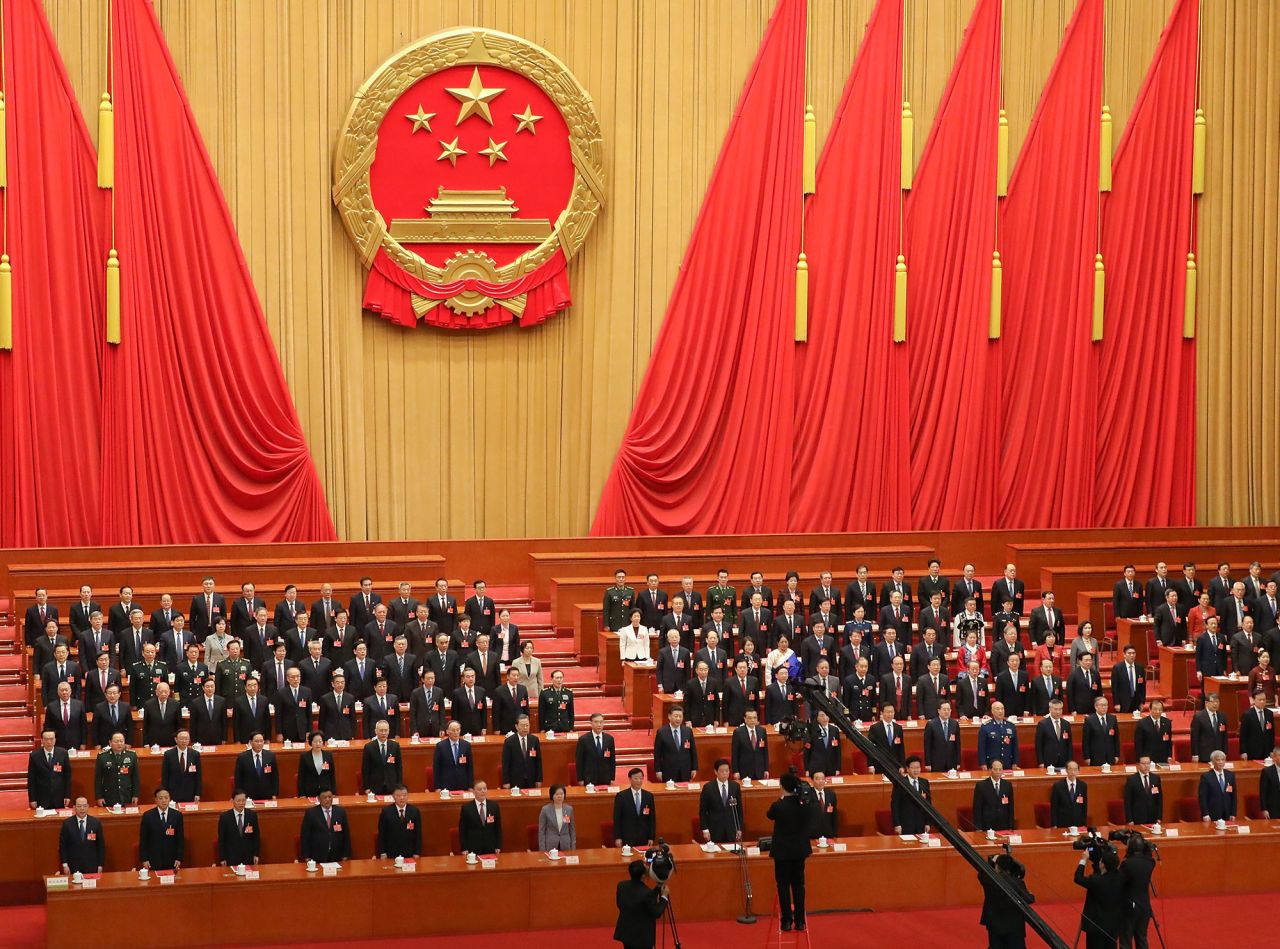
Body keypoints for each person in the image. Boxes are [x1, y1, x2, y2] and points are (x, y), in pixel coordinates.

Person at [766, 772, 814, 932]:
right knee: (799, 885)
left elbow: (769, 815)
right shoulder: (803, 804)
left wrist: (781, 798)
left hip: (782, 852)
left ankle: (786, 921)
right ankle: (800, 921)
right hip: (799, 851)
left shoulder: (779, 805)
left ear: (782, 787)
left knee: (783, 885)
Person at [978, 852, 1036, 949]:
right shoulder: (1018, 882)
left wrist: (992, 862)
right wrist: (1031, 894)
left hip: (995, 924)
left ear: (997, 866)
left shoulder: (989, 880)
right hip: (1014, 926)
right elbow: (1028, 899)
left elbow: (981, 873)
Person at [1074, 846, 1126, 949]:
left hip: (1096, 926)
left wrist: (1083, 860)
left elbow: (1078, 878)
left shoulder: (1096, 880)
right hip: (1113, 925)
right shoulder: (1121, 877)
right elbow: (1106, 872)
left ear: (1102, 865)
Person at [613, 859, 668, 949]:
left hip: (627, 933)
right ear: (643, 876)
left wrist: (658, 888)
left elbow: (641, 899)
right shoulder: (646, 893)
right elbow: (656, 912)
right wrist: (664, 897)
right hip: (642, 938)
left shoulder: (621, 886)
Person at [1119, 834, 1156, 949]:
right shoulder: (1150, 862)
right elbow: (1148, 856)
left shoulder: (1127, 864)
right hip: (1145, 905)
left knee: (1125, 939)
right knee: (1141, 938)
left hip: (1129, 906)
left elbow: (1120, 881)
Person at [138, 787, 184, 871]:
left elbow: (180, 839)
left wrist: (179, 858)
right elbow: (143, 840)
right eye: (161, 798)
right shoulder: (148, 816)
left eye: (166, 798)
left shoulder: (177, 815)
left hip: (172, 860)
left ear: (170, 799)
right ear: (155, 800)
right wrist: (144, 859)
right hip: (153, 861)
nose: (164, 800)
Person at [698, 758, 743, 844]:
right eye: (722, 771)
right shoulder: (708, 788)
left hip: (731, 830)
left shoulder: (735, 786)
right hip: (714, 830)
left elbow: (739, 810)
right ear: (716, 772)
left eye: (727, 771)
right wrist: (705, 830)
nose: (725, 773)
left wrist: (739, 828)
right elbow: (703, 811)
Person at [300, 788, 350, 863]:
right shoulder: (311, 813)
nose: (328, 799)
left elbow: (346, 835)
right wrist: (307, 856)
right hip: (317, 856)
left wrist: (346, 854)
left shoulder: (340, 812)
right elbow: (305, 836)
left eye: (330, 797)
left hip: (337, 855)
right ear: (319, 799)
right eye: (324, 797)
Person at [28, 729, 71, 810]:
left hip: (59, 796)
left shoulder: (63, 753)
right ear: (42, 740)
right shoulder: (34, 755)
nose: (49, 742)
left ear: (55, 740)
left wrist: (67, 795)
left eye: (51, 739)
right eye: (46, 739)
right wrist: (32, 799)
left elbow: (67, 776)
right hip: (41, 797)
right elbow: (31, 779)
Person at [60, 797, 104, 875]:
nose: (82, 808)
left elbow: (100, 846)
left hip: (91, 866)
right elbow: (63, 847)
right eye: (79, 806)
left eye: (84, 806)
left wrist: (100, 865)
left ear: (88, 807)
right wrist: (65, 865)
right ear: (74, 807)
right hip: (73, 866)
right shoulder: (67, 824)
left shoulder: (95, 823)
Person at [613, 768, 656, 848]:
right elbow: (617, 819)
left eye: (640, 778)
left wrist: (651, 837)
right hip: (627, 837)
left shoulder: (648, 796)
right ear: (630, 779)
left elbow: (652, 819)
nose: (638, 781)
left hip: (644, 837)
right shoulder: (621, 796)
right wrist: (617, 837)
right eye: (636, 778)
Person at [94, 732, 140, 807]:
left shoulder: (132, 756)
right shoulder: (102, 757)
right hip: (109, 796)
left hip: (127, 795)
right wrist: (99, 797)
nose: (119, 744)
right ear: (110, 742)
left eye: (121, 741)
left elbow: (135, 777)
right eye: (116, 741)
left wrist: (135, 795)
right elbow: (98, 779)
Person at [654, 706, 699, 782]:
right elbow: (657, 753)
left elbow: (693, 751)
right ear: (669, 716)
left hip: (685, 769)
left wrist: (694, 768)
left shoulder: (688, 731)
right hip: (668, 770)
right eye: (676, 716)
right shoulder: (661, 732)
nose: (678, 719)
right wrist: (658, 770)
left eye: (680, 716)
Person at [377, 785, 422, 859]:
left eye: (404, 795)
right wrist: (383, 852)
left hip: (409, 853)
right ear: (393, 796)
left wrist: (417, 852)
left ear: (408, 796)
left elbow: (418, 834)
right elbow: (382, 834)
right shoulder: (386, 812)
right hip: (391, 853)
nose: (402, 798)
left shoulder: (414, 811)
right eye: (398, 795)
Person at [217, 790, 261, 866]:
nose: (241, 803)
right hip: (231, 857)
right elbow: (221, 839)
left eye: (243, 800)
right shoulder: (225, 817)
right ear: (233, 801)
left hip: (248, 857)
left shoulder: (252, 815)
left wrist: (256, 854)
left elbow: (256, 836)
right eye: (238, 801)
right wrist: (222, 858)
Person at [458, 780, 502, 855]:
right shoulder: (466, 808)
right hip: (473, 848)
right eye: (479, 789)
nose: (483, 791)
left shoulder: (494, 806)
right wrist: (464, 848)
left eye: (485, 789)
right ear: (473, 792)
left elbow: (498, 828)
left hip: (490, 847)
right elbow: (462, 830)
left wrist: (498, 846)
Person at [891, 756, 932, 835]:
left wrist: (928, 822)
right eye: (913, 768)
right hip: (905, 824)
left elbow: (928, 804)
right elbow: (895, 805)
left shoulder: (924, 782)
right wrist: (897, 824)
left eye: (918, 767)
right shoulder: (900, 783)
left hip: (921, 824)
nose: (916, 770)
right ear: (907, 769)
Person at [361, 719, 402, 795]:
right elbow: (365, 770)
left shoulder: (395, 746)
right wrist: (366, 788)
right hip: (374, 787)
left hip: (392, 787)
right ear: (376, 731)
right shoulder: (369, 747)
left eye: (386, 730)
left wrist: (399, 786)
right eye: (381, 730)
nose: (383, 733)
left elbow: (399, 768)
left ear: (389, 731)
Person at [501, 715, 542, 789]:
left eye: (527, 725)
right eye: (523, 726)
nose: (525, 728)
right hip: (515, 780)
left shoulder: (534, 740)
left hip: (531, 779)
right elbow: (505, 763)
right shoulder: (509, 742)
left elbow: (538, 761)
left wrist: (539, 779)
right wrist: (506, 781)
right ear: (516, 726)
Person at [234, 733, 278, 801]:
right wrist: (240, 796)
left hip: (267, 795)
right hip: (248, 796)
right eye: (256, 741)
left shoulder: (270, 756)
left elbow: (275, 777)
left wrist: (274, 794)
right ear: (251, 742)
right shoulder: (242, 757)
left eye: (261, 741)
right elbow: (238, 779)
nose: (259, 743)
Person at [160, 730, 202, 803]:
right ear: (176, 740)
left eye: (186, 739)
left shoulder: (195, 754)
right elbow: (165, 776)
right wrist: (165, 794)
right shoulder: (168, 754)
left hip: (190, 792)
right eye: (181, 738)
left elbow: (198, 776)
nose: (184, 741)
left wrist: (197, 793)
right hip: (173, 793)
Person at [576, 712, 617, 785]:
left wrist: (612, 778)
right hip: (589, 779)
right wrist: (580, 779)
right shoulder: (583, 740)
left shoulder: (609, 739)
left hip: (605, 778)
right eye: (596, 722)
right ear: (591, 723)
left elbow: (612, 760)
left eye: (601, 722)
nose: (599, 725)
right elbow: (579, 761)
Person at [275, 666, 313, 744]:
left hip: (302, 730)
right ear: (288, 679)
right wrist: (279, 732)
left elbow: (309, 714)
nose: (296, 679)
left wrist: (309, 731)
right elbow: (278, 714)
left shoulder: (307, 691)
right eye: (293, 677)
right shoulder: (281, 693)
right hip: (287, 731)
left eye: (298, 676)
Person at [43, 681, 86, 750]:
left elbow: (83, 726)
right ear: (58, 692)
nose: (64, 692)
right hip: (58, 743)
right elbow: (47, 726)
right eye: (62, 690)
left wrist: (83, 743)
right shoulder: (51, 707)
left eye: (66, 690)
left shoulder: (79, 705)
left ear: (70, 691)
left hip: (75, 742)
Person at [972, 761, 1014, 831]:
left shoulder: (1007, 785)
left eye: (1000, 769)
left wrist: (1011, 826)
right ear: (990, 770)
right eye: (995, 769)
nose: (998, 772)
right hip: (987, 826)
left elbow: (1010, 807)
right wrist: (978, 828)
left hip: (1004, 826)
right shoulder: (981, 786)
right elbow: (977, 809)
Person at [433, 720, 474, 791]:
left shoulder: (466, 745)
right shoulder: (440, 746)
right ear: (447, 731)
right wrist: (437, 787)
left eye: (458, 730)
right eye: (453, 730)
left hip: (463, 784)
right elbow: (436, 768)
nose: (456, 732)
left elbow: (470, 767)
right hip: (446, 786)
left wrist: (470, 786)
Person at [1189, 691, 1229, 762]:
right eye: (1213, 702)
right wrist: (1195, 754)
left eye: (1217, 702)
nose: (1215, 704)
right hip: (1204, 755)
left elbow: (1224, 736)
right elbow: (1194, 737)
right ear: (1206, 703)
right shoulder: (1199, 717)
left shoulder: (1222, 716)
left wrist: (1225, 752)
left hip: (1219, 755)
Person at [731, 708, 770, 780]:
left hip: (759, 770)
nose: (752, 720)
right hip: (744, 771)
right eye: (750, 718)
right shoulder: (738, 732)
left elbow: (765, 752)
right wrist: (735, 771)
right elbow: (735, 754)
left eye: (755, 718)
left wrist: (766, 769)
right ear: (745, 719)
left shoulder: (762, 731)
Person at [924, 700, 962, 772]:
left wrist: (958, 762)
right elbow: (927, 746)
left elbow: (957, 745)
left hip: (951, 762)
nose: (947, 712)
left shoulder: (955, 724)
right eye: (944, 710)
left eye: (948, 709)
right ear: (939, 711)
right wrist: (928, 763)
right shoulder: (931, 724)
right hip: (936, 762)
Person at [977, 701, 1018, 768]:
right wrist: (983, 763)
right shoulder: (986, 727)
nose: (1000, 711)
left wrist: (1015, 762)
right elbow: (981, 747)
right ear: (992, 711)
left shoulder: (1011, 726)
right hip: (991, 763)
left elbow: (1015, 746)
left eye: (1002, 709)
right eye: (998, 709)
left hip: (1007, 763)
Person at [1198, 750, 1237, 821]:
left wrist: (1233, 813)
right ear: (1212, 762)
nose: (1221, 762)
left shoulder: (1230, 775)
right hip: (1212, 814)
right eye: (1218, 760)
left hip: (1227, 813)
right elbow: (1202, 798)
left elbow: (1233, 796)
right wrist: (1205, 814)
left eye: (1223, 760)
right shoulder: (1206, 777)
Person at [491, 666, 531, 735]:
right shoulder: (499, 691)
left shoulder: (523, 689)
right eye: (513, 675)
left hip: (520, 727)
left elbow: (526, 709)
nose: (516, 677)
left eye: (517, 675)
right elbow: (496, 712)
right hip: (505, 726)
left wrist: (526, 724)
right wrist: (496, 729)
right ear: (508, 676)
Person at [1083, 696, 1121, 767]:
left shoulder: (1112, 719)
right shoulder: (1089, 720)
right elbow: (1086, 741)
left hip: (1110, 755)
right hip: (1095, 756)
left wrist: (1117, 755)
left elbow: (1116, 739)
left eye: (1106, 705)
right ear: (1096, 706)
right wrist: (1087, 757)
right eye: (1102, 705)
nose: (1104, 707)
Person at [1050, 760, 1089, 828]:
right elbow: (1054, 807)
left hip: (1078, 823)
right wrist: (1054, 824)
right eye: (1070, 769)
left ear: (1078, 771)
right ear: (1066, 770)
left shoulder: (1082, 786)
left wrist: (1083, 823)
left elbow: (1084, 806)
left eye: (1075, 769)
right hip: (1062, 823)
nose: (1073, 772)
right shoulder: (1058, 786)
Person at [297, 730, 337, 797]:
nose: (318, 744)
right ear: (311, 742)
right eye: (315, 742)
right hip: (310, 792)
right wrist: (302, 794)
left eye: (320, 741)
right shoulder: (304, 757)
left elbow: (332, 775)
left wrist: (333, 792)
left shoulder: (328, 755)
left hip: (326, 792)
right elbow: (301, 777)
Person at [1132, 700, 1173, 765]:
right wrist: (1140, 758)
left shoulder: (1167, 722)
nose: (1158, 712)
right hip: (1147, 760)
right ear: (1150, 710)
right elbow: (1138, 743)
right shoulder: (1142, 723)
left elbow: (1169, 741)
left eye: (1160, 710)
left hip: (1163, 759)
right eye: (1155, 709)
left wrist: (1169, 756)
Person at [189, 678, 228, 746]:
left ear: (215, 687)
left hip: (217, 738)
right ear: (203, 688)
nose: (210, 688)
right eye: (207, 687)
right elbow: (193, 723)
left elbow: (224, 722)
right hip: (200, 739)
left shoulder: (222, 701)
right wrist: (193, 740)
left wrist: (224, 738)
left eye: (212, 686)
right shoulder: (195, 702)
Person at [538, 784, 577, 851]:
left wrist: (573, 847)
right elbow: (541, 831)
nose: (560, 796)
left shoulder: (569, 809)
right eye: (557, 794)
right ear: (552, 796)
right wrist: (542, 850)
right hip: (550, 846)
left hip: (565, 845)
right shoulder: (545, 810)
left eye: (562, 794)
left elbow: (572, 830)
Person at [410, 668, 446, 738]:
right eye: (428, 678)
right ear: (423, 679)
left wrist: (442, 728)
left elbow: (442, 712)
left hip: (436, 728)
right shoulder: (416, 693)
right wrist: (414, 730)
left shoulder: (439, 691)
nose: (430, 680)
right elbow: (412, 713)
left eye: (432, 678)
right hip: (421, 728)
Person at [804, 710, 843, 777]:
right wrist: (807, 769)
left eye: (826, 715)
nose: (825, 718)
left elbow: (837, 750)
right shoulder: (811, 730)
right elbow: (807, 752)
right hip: (816, 768)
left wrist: (838, 768)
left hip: (831, 768)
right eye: (822, 715)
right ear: (817, 718)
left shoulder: (834, 730)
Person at [1111, 645, 1146, 714]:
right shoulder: (1117, 668)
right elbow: (1114, 687)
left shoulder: (1140, 667)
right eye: (1129, 653)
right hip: (1123, 702)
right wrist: (1116, 703)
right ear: (1124, 654)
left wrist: (1142, 702)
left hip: (1136, 701)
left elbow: (1142, 686)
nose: (1132, 655)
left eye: (1133, 653)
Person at [1258, 746, 1280, 819]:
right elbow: (1263, 792)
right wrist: (1264, 809)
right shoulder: (1267, 772)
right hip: (1273, 809)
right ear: (1274, 757)